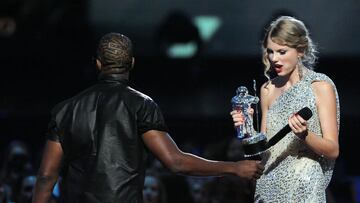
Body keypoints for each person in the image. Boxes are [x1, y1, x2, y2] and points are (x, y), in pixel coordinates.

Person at [32, 32, 264, 203]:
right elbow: (175, 161)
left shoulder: (65, 110)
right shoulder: (141, 105)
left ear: (98, 63)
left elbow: (46, 176)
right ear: (132, 63)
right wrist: (234, 168)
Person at [231, 16, 340, 202]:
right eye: (270, 52)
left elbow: (332, 150)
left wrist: (305, 135)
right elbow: (264, 148)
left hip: (304, 183)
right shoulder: (267, 89)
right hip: (269, 182)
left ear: (301, 50)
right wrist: (247, 129)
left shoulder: (320, 86)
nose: (274, 59)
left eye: (282, 52)